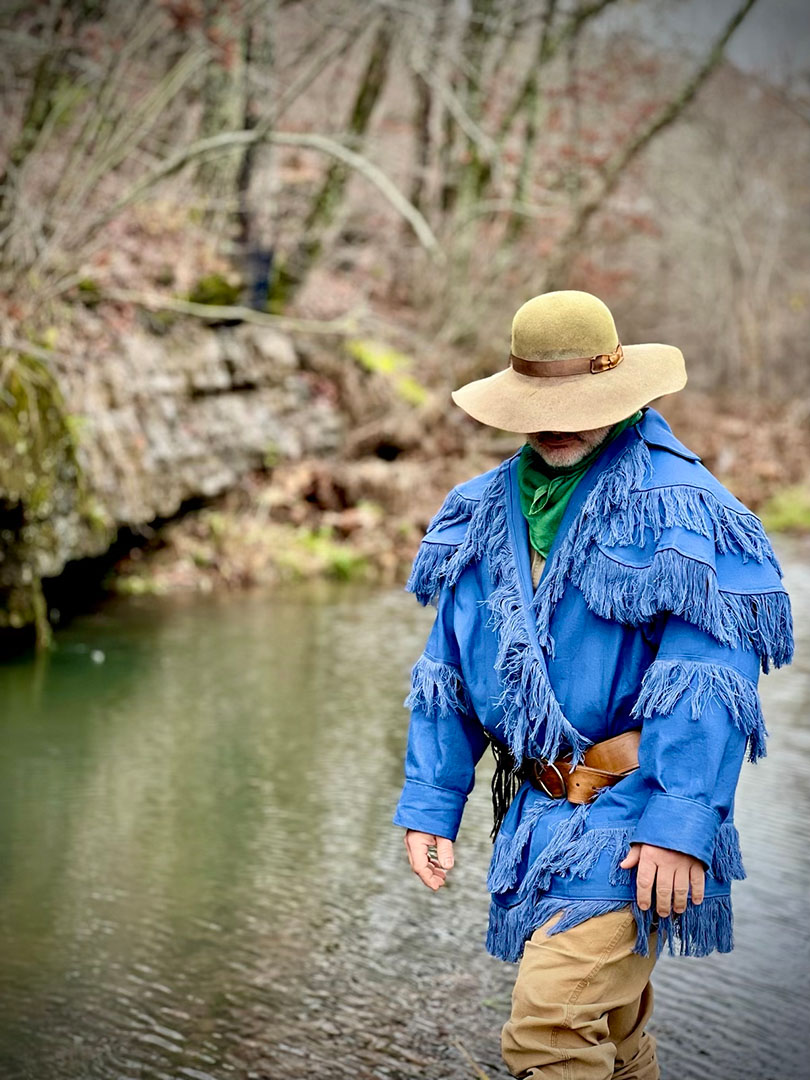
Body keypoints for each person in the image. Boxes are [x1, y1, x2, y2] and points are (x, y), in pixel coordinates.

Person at [392, 290, 794, 1079]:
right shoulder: (476, 512)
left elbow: (707, 683)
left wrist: (681, 823)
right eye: (540, 401)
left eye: (577, 401)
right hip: (536, 815)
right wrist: (432, 803)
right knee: (611, 1035)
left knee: (549, 1027)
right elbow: (448, 670)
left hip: (635, 812)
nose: (557, 419)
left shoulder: (686, 512)